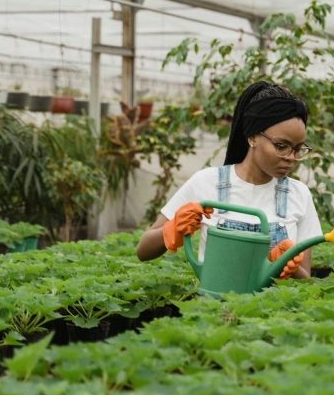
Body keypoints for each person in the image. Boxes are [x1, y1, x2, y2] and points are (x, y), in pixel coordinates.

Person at [136, 81, 323, 279]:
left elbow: (306, 281)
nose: (291, 157)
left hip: (276, 309)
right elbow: (143, 251)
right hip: (216, 308)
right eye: (281, 146)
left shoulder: (299, 195)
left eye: (298, 149)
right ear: (252, 137)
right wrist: (173, 228)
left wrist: (287, 265)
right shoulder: (206, 183)